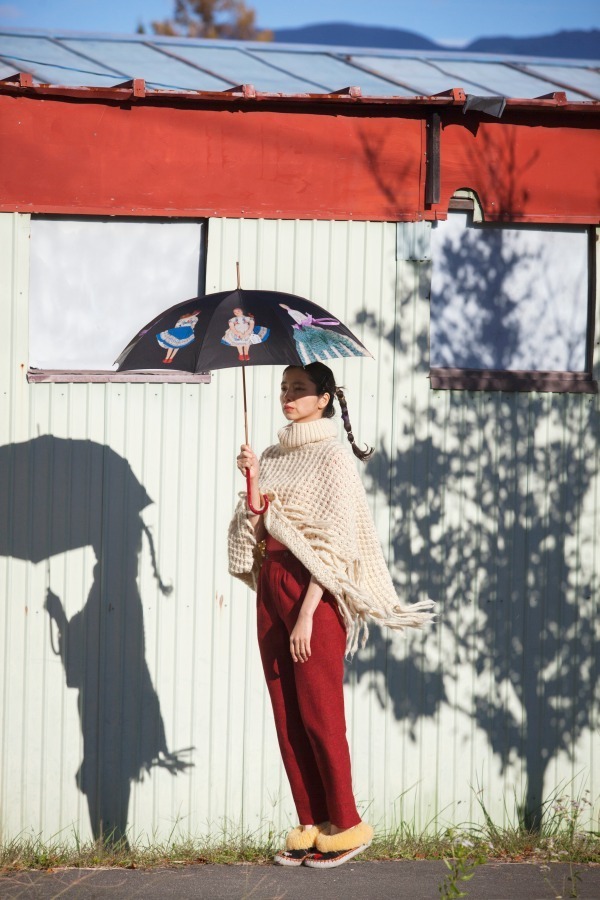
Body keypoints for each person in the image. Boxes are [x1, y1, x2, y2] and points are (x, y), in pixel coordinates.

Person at [228, 362, 434, 869]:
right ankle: (312, 822)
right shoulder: (272, 455)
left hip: (312, 594)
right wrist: (253, 486)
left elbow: (338, 546)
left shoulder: (333, 458)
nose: (288, 397)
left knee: (320, 713)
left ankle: (346, 824)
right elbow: (258, 530)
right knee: (286, 712)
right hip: (272, 585)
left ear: (323, 398)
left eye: (299, 390)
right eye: (283, 388)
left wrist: (306, 613)